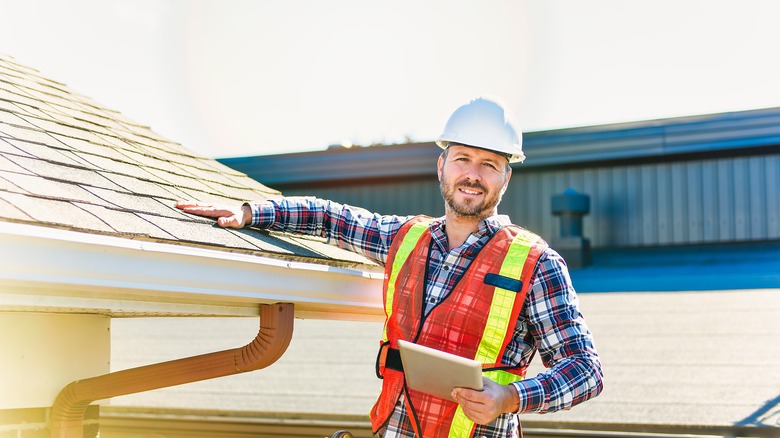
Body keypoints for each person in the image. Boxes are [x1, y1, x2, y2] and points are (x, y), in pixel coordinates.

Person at [176, 96, 603, 437]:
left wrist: (510, 396)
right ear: (441, 166)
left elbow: (586, 370)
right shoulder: (406, 238)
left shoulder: (536, 263)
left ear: (505, 178)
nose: (472, 175)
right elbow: (330, 218)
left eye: (489, 164)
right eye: (462, 159)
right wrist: (252, 212)